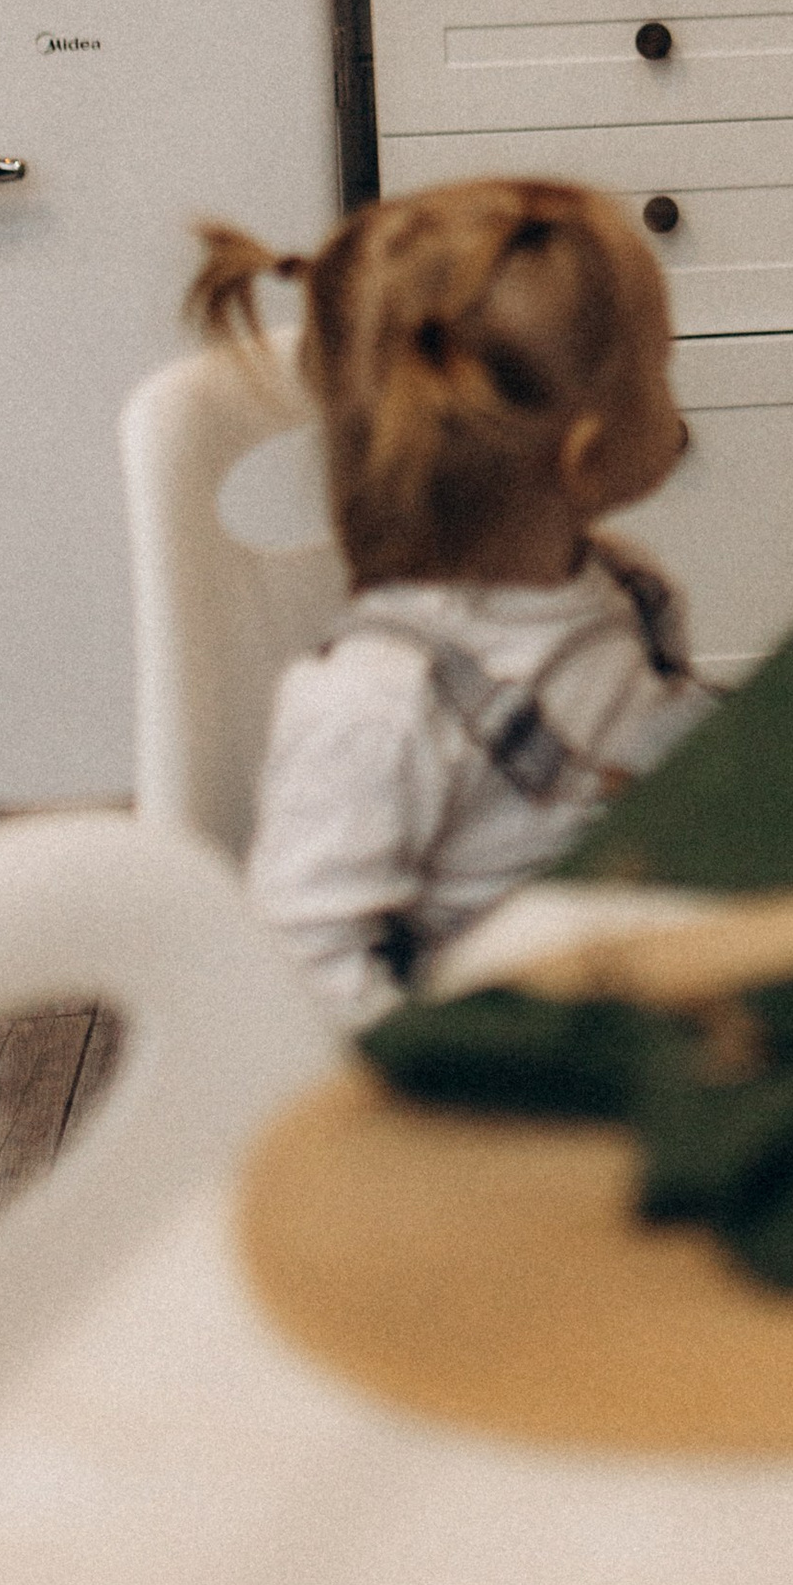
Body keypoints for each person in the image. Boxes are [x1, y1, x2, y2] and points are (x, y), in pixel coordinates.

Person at [194, 178, 707, 1027]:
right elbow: (302, 969)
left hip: (636, 986)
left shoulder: (625, 592)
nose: (674, 391)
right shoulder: (378, 707)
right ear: (583, 459)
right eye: (659, 369)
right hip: (499, 1078)